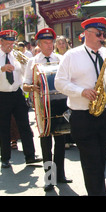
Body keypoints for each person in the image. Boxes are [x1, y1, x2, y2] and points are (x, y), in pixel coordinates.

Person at [55, 17, 106, 196]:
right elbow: (59, 82)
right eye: (99, 34)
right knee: (92, 163)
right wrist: (81, 91)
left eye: (104, 34)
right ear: (87, 34)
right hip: (82, 116)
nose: (102, 38)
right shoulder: (71, 55)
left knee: (100, 162)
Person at [0, 30, 42, 168]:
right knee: (4, 127)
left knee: (25, 125)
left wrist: (27, 66)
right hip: (0, 95)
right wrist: (1, 68)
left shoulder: (16, 55)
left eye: (12, 43)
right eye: (7, 43)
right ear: (1, 42)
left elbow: (26, 72)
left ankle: (30, 156)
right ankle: (5, 158)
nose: (10, 46)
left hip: (16, 93)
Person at [23, 28, 72, 192]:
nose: (50, 45)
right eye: (46, 43)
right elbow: (24, 85)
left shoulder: (60, 58)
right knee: (46, 143)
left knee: (60, 141)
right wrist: (32, 87)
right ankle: (49, 179)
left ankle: (60, 175)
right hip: (42, 107)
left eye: (51, 42)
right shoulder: (33, 61)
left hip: (59, 103)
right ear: (39, 44)